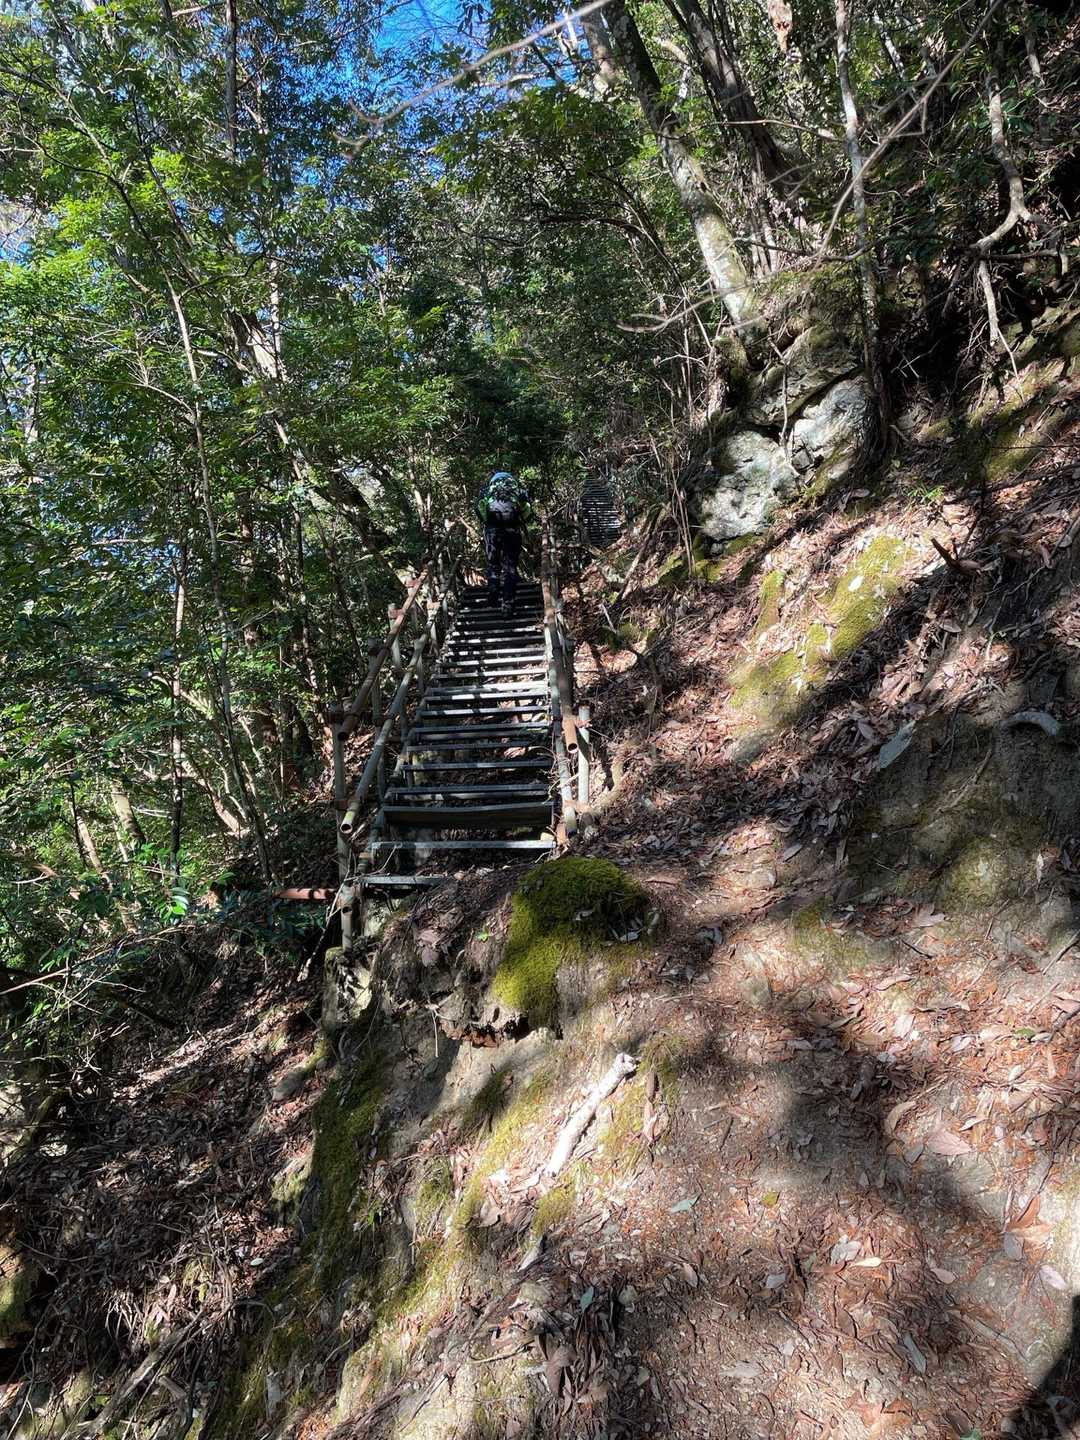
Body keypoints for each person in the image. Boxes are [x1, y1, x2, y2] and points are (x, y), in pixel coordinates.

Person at [476, 470, 532, 614]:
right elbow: (528, 511)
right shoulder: (518, 491)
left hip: (492, 531)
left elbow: (479, 508)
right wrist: (519, 521)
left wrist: (487, 522)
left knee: (493, 564)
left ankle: (493, 597)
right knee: (510, 566)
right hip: (512, 530)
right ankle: (508, 604)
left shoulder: (487, 491)